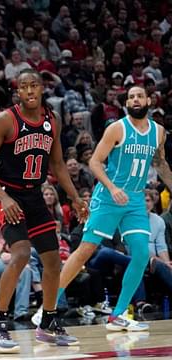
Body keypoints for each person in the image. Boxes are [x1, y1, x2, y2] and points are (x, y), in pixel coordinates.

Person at [0, 68, 88, 353]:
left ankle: (48, 322)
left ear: (41, 89)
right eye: (23, 86)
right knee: (22, 254)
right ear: (17, 91)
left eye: (34, 86)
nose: (29, 91)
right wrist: (2, 197)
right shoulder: (6, 120)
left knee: (53, 261)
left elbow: (59, 165)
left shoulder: (53, 121)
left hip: (35, 195)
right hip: (8, 195)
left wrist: (75, 198)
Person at [57, 85, 172, 332]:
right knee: (86, 249)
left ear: (149, 100)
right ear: (126, 104)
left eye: (140, 95)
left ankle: (117, 315)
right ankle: (50, 305)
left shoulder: (159, 132)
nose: (135, 99)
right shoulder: (117, 128)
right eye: (131, 97)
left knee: (141, 254)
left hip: (135, 200)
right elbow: (95, 162)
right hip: (108, 195)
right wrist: (111, 187)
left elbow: (160, 163)